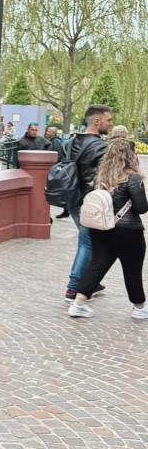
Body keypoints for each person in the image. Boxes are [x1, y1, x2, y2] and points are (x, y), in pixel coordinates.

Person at [69, 137, 148, 319]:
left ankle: (78, 303)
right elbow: (141, 208)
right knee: (132, 270)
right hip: (128, 231)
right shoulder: (133, 178)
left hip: (101, 229)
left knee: (97, 265)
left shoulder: (100, 177)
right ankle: (139, 307)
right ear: (130, 156)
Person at [65, 104, 113, 301]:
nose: (110, 124)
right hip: (89, 201)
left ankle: (91, 282)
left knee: (90, 242)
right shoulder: (100, 146)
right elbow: (101, 177)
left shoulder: (71, 141)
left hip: (71, 198)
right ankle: (74, 288)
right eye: (108, 120)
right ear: (96, 121)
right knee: (88, 244)